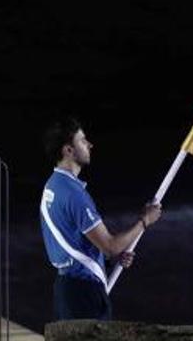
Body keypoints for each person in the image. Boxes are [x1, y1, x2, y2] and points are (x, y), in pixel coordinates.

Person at [39, 117, 161, 320]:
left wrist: (108, 260)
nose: (89, 145)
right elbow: (111, 246)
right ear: (68, 150)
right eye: (82, 140)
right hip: (83, 293)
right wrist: (144, 221)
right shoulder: (74, 194)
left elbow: (73, 238)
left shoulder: (53, 185)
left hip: (66, 289)